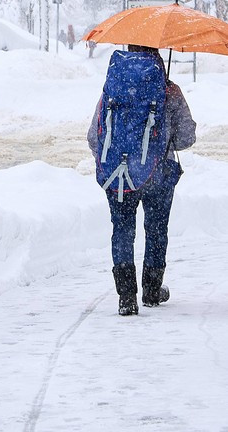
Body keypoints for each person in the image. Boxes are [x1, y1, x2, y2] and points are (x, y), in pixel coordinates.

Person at [87, 45, 197, 316]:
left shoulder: (113, 89)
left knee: (122, 230)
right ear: (157, 56)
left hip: (118, 175)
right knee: (156, 229)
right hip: (158, 174)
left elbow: (94, 136)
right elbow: (186, 138)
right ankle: (151, 289)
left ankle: (126, 297)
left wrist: (122, 157)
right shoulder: (169, 91)